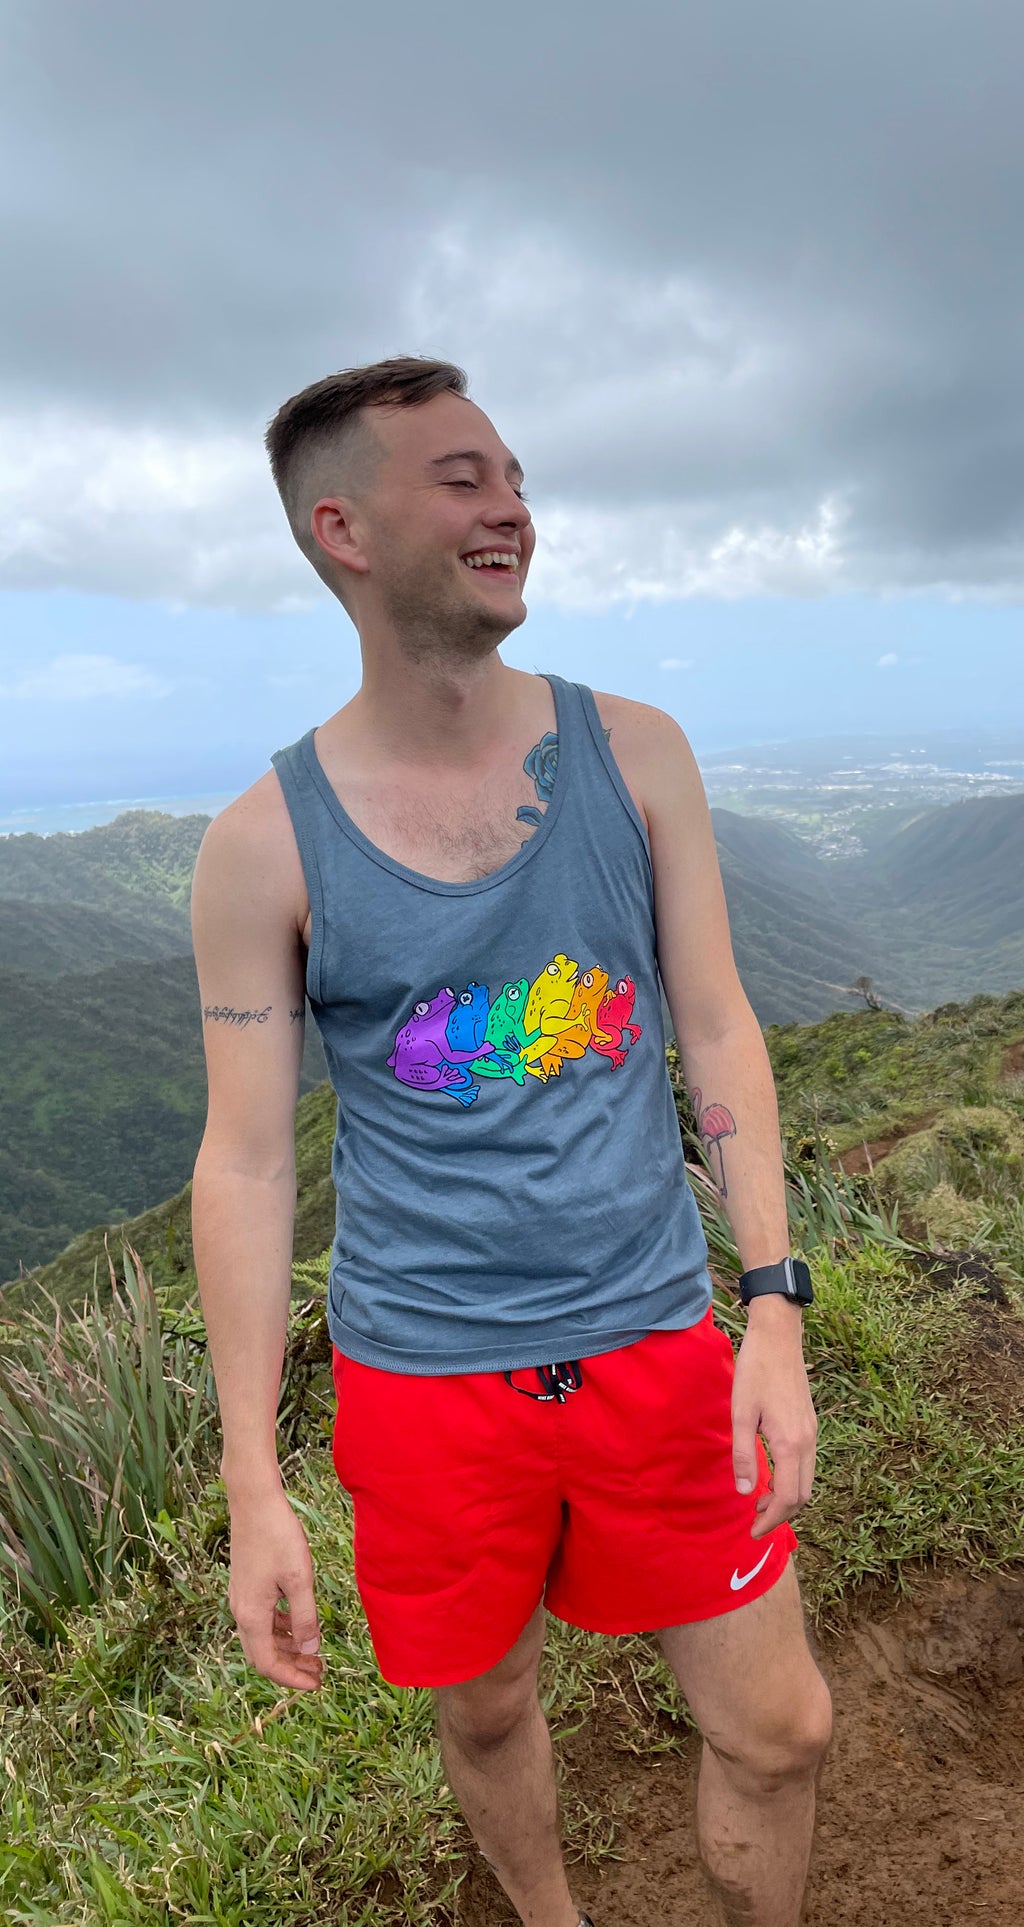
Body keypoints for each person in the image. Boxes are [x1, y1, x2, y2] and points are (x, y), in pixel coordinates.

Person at [190, 356, 832, 1927]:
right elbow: (247, 1165)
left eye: (515, 477)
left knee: (780, 1726)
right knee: (481, 1709)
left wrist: (770, 1302)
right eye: (463, 478)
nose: (513, 508)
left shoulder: (636, 754)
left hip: (654, 1338)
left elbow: (718, 1027)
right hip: (422, 1376)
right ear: (342, 528)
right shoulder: (261, 846)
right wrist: (252, 1482)